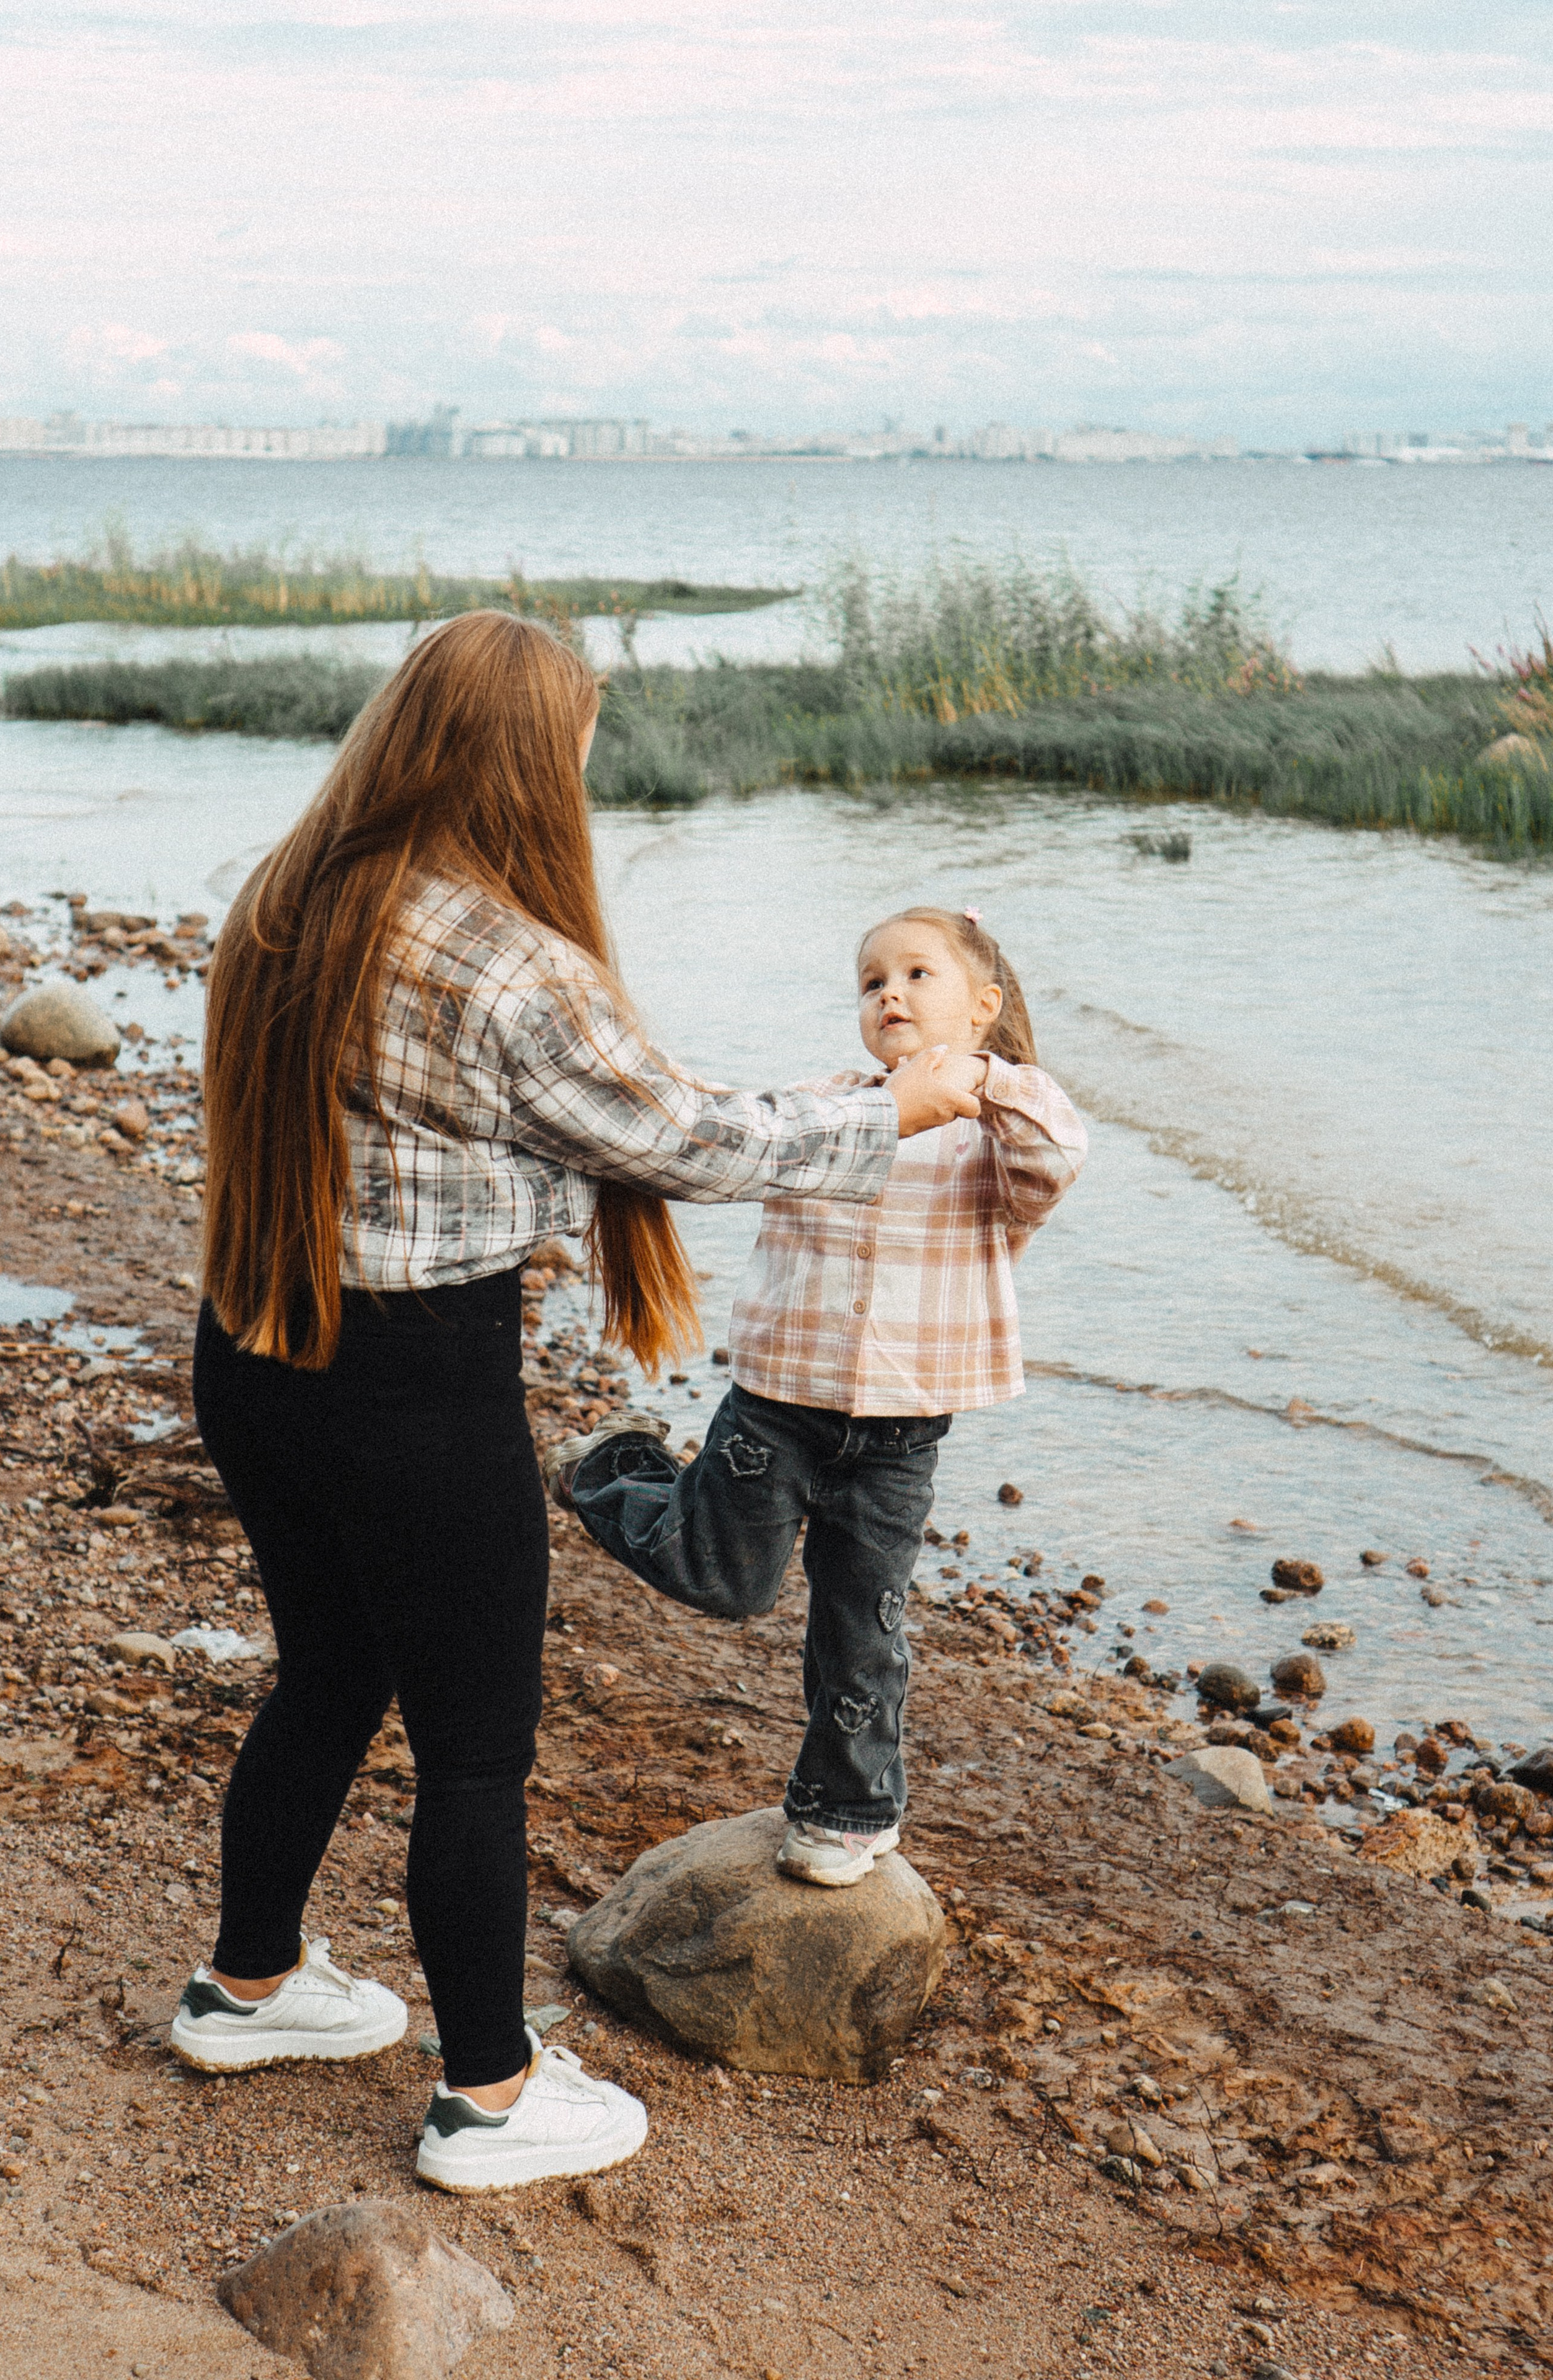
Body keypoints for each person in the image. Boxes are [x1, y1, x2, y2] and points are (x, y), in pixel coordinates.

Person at [166, 612, 985, 2195]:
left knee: (329, 1671)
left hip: (252, 1351)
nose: (588, 777)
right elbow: (677, 1137)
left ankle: (245, 1985)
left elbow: (600, 1121)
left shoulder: (286, 895)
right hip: (411, 1383)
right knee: (476, 1750)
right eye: (579, 749)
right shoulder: (502, 956)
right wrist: (890, 1108)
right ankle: (486, 2091)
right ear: (523, 757)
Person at [549, 906, 1087, 1886]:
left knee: (864, 1623)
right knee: (728, 1582)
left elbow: (1060, 1153)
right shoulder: (831, 1107)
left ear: (984, 1007)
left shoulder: (997, 1142)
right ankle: (611, 1470)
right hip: (778, 1408)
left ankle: (846, 1809)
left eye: (919, 975)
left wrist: (984, 1079)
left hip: (903, 1428)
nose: (891, 995)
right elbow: (732, 1132)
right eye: (873, 981)